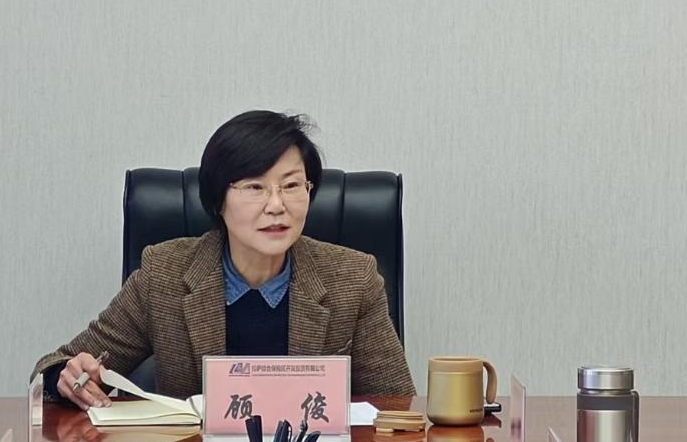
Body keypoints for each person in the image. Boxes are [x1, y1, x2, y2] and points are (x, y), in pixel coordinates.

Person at [32, 110, 415, 408]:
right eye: (254, 187)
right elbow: (54, 366)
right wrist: (67, 377)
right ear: (218, 200)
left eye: (291, 185)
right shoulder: (164, 276)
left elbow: (398, 407)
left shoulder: (353, 278)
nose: (277, 205)